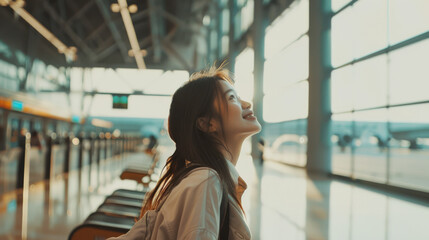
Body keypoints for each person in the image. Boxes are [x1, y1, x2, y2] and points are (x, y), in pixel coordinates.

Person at [110, 65, 261, 239]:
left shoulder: (206, 178)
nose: (247, 103)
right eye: (232, 98)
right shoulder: (207, 181)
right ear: (207, 124)